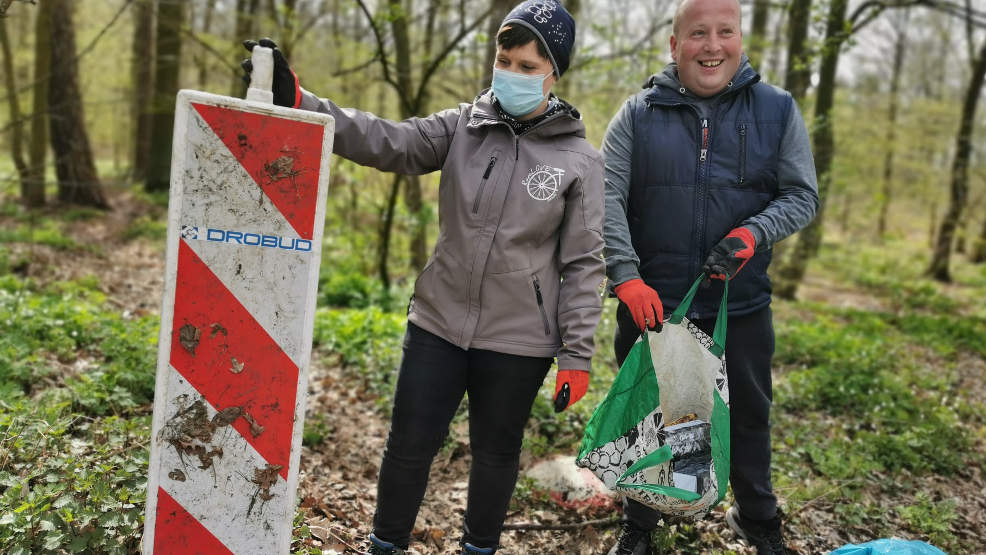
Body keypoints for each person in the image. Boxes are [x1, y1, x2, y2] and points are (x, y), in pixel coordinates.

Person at [243, 1, 604, 553]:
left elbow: (582, 263)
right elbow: (390, 140)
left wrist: (576, 354)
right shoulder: (464, 125)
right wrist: (302, 103)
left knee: (496, 453)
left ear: (555, 73)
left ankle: (478, 548)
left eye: (528, 67)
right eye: (505, 60)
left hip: (518, 339)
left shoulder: (580, 161)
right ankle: (385, 544)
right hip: (438, 321)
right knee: (409, 445)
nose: (512, 74)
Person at [600, 0, 818, 553]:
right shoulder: (636, 114)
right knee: (656, 418)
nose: (713, 45)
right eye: (699, 33)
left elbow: (801, 195)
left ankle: (758, 520)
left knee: (747, 418)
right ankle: (640, 524)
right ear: (675, 45)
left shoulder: (778, 109)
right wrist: (625, 276)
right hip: (656, 306)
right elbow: (603, 200)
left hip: (739, 305)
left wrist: (753, 233)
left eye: (726, 32)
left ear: (741, 39)